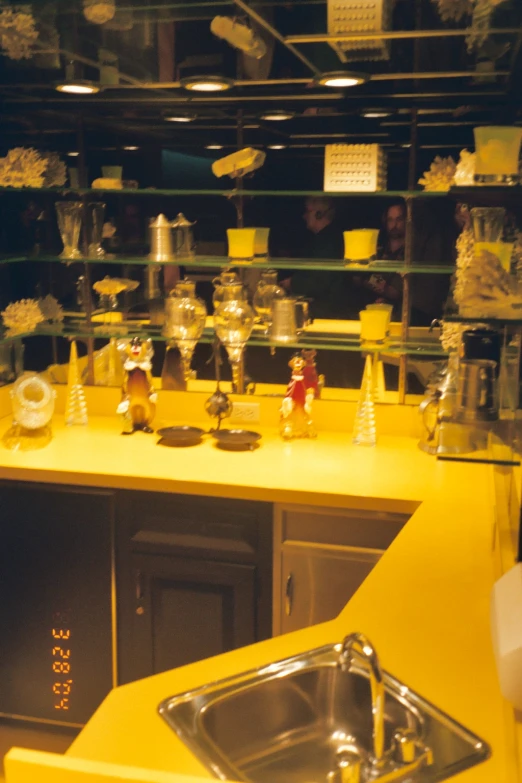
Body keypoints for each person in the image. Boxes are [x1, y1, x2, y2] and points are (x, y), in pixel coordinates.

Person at [282, 197, 349, 319]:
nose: (304, 216)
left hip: (327, 312)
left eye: (308, 211)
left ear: (319, 214)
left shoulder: (329, 242)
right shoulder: (325, 239)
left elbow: (320, 281)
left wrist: (291, 283)